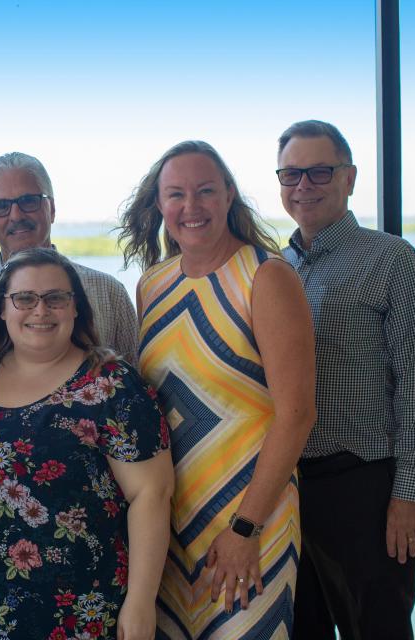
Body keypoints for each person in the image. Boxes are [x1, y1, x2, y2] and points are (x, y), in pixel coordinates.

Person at [118, 140, 316, 639]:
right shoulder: (153, 284)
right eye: (176, 194)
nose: (192, 207)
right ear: (159, 205)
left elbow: (296, 415)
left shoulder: (265, 277)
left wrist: (245, 528)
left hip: (249, 517)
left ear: (229, 195)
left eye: (206, 190)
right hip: (169, 521)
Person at [0, 247, 174, 640]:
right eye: (24, 298)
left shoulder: (110, 385)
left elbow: (152, 493)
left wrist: (141, 601)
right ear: (2, 309)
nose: (40, 310)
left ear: (76, 307)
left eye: (56, 298)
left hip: (79, 610)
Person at [276, 120, 415, 639]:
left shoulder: (392, 260)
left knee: (378, 630)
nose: (303, 185)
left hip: (365, 489)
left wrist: (408, 496)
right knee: (299, 629)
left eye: (319, 171)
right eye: (291, 173)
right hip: (289, 488)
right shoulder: (272, 269)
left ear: (350, 178)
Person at [0, 152, 140, 364]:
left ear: (51, 209)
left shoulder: (109, 293)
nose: (16, 215)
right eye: (1, 206)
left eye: (29, 201)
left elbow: (136, 381)